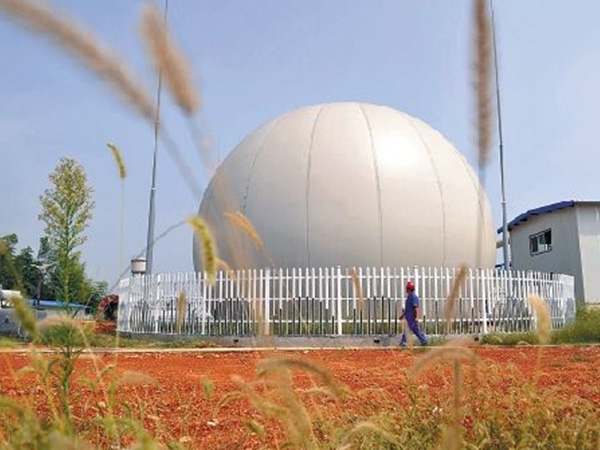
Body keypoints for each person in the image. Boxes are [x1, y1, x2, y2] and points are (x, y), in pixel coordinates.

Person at [400, 281, 428, 346]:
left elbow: (416, 308)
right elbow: (407, 309)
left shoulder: (413, 297)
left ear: (408, 289)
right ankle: (424, 341)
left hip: (412, 318)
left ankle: (403, 343)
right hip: (409, 318)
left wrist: (416, 317)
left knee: (407, 330)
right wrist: (402, 315)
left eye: (407, 288)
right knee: (417, 331)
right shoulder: (409, 297)